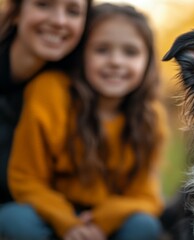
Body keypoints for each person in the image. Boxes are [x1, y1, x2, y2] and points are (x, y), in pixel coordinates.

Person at [0, 3, 168, 240]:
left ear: (148, 60)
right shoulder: (49, 91)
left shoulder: (150, 117)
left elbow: (147, 197)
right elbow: (24, 178)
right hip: (48, 216)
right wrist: (67, 223)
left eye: (130, 52)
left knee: (144, 225)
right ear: (82, 54)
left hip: (106, 226)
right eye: (101, 50)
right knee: (13, 219)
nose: (116, 62)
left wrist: (102, 221)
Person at [0, 0, 93, 204]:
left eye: (73, 11)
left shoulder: (78, 90)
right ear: (16, 12)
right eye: (43, 4)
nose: (59, 21)